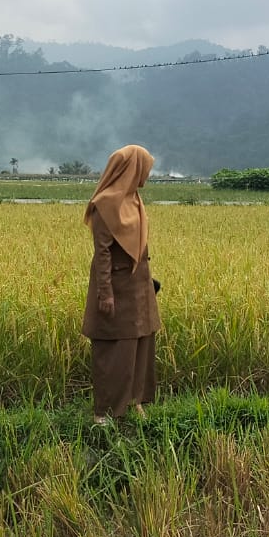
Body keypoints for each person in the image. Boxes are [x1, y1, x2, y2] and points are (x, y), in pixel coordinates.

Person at [82, 145, 161, 425]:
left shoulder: (135, 200)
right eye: (145, 169)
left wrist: (148, 281)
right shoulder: (106, 204)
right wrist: (105, 293)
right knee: (112, 350)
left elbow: (139, 247)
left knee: (141, 344)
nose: (148, 175)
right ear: (132, 169)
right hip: (115, 288)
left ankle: (133, 401)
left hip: (139, 287)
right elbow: (102, 253)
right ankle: (103, 411)